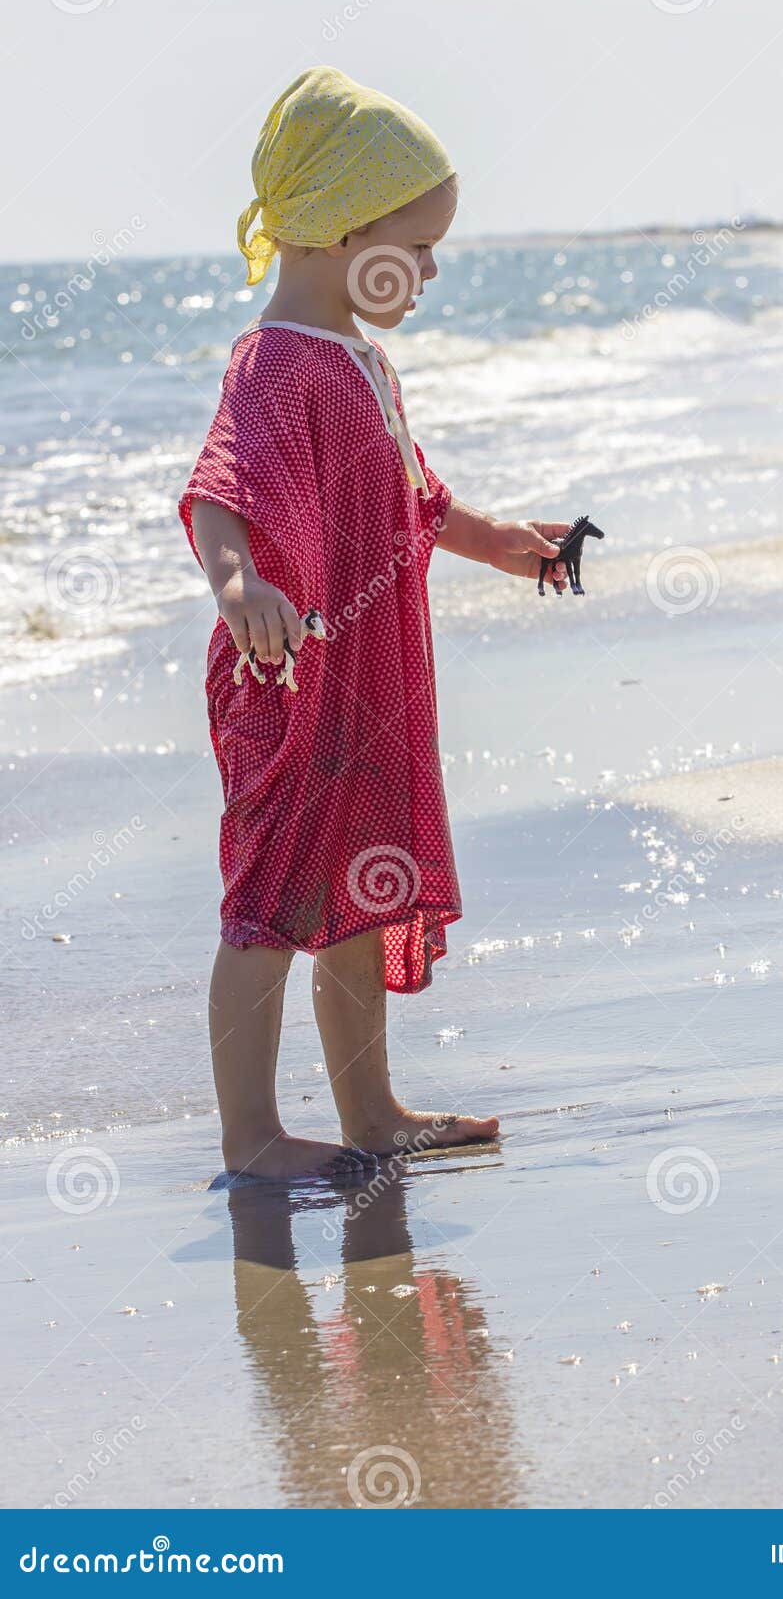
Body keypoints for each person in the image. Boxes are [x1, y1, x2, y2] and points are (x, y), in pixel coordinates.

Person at [179, 67, 570, 1181]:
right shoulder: (273, 363)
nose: (433, 270)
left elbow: (409, 496)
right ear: (338, 230)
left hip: (368, 673)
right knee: (267, 904)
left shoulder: (362, 359)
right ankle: (251, 1138)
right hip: (287, 672)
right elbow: (219, 488)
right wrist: (236, 581)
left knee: (362, 884)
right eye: (419, 242)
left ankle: (371, 1115)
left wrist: (498, 540)